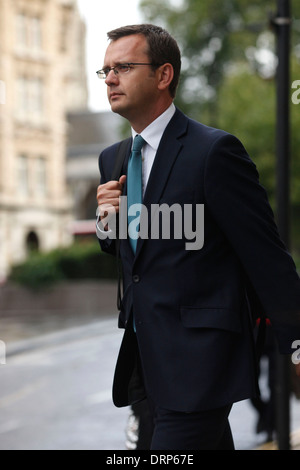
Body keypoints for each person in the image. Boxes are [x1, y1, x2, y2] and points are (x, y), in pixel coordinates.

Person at [96, 24, 300, 450]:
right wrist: (106, 223)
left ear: (164, 75)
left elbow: (266, 256)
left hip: (200, 361)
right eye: (106, 71)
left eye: (123, 67)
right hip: (143, 362)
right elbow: (133, 253)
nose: (111, 78)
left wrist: (297, 344)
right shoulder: (112, 158)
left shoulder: (214, 152)